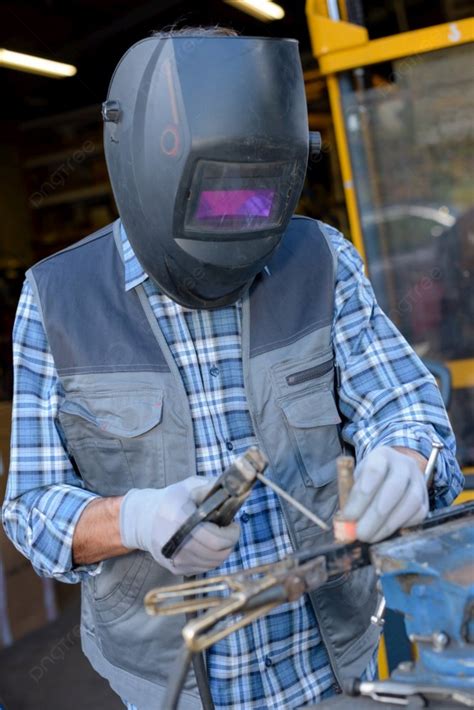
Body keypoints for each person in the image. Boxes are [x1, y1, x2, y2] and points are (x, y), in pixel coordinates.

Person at [2, 26, 463, 710]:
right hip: (170, 687)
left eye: (256, 199)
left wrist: (406, 458)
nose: (237, 220)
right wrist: (135, 520)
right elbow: (30, 511)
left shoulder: (320, 259)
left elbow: (404, 403)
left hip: (335, 667)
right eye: (214, 196)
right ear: (145, 160)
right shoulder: (56, 300)